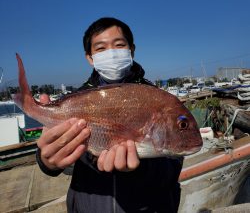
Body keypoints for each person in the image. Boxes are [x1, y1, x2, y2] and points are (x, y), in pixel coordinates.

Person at [37, 17, 183, 213]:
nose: (111, 53)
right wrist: (47, 162)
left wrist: (141, 167)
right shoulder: (73, 101)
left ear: (131, 49)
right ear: (90, 57)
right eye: (100, 48)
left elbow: (174, 165)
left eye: (119, 45)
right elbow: (52, 146)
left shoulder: (157, 99)